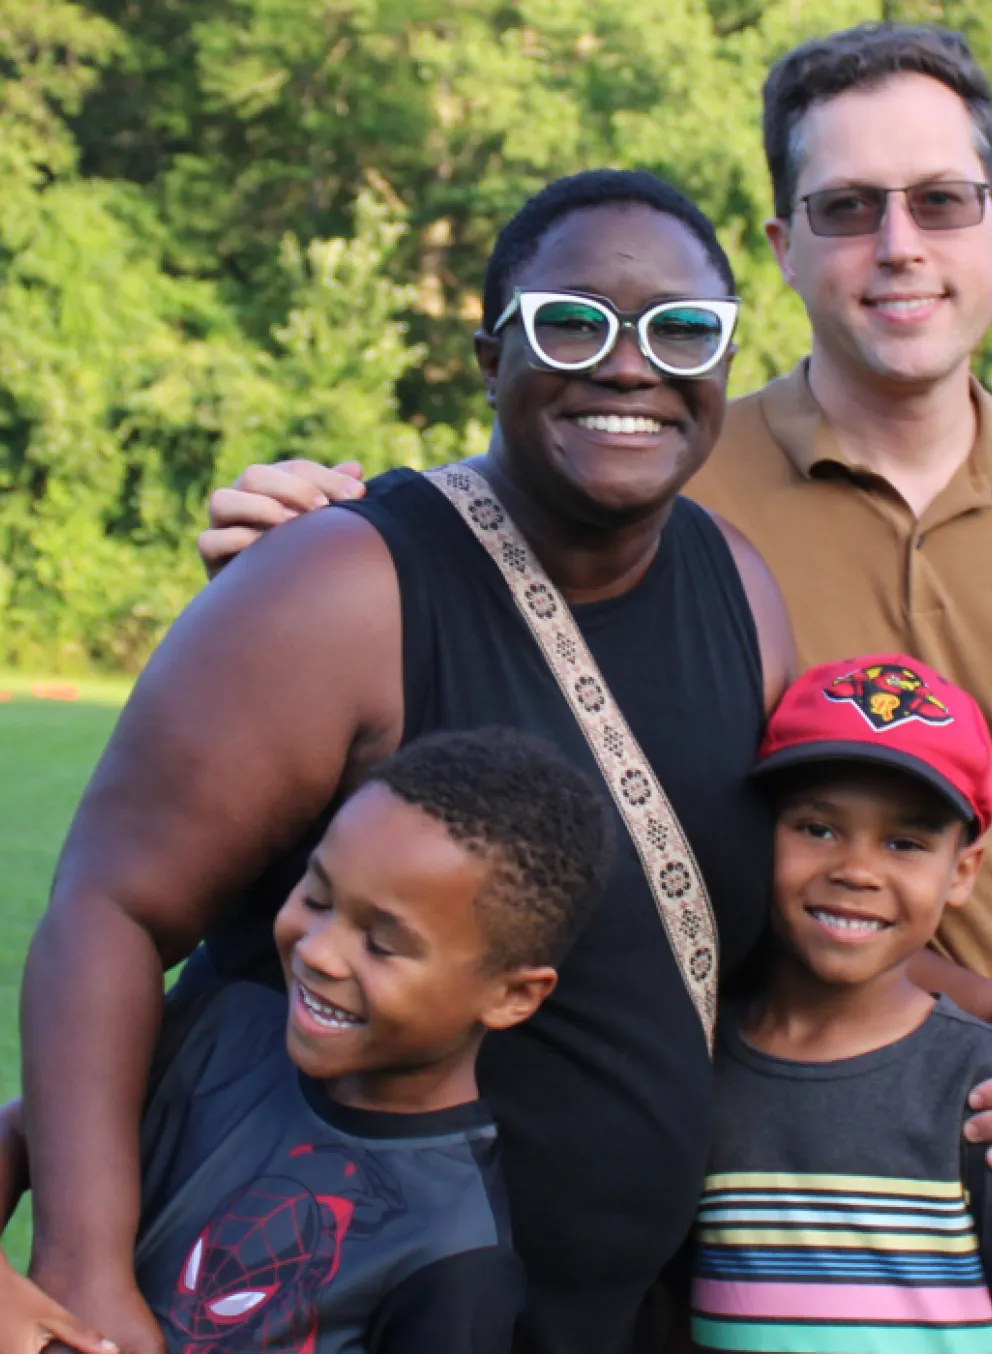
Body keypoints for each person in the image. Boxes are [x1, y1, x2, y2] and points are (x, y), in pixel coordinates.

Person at [17, 168, 798, 1354]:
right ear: (491, 358)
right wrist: (81, 1271)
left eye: (682, 327)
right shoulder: (340, 585)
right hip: (305, 1307)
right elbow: (110, 911)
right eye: (570, 321)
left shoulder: (738, 588)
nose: (630, 364)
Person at [205, 24, 992, 1011]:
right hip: (752, 1127)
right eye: (844, 207)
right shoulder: (655, 490)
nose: (897, 245)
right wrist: (293, 562)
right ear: (783, 252)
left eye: (940, 201)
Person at [0, 726, 614, 1354]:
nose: (319, 951)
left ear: (512, 996)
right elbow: (30, 1130)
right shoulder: (214, 1032)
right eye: (317, 898)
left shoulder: (454, 1254)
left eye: (381, 943)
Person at [687, 654, 992, 1352]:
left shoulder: (975, 1090)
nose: (856, 871)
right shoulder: (699, 1067)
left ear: (963, 871)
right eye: (817, 829)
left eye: (905, 843)